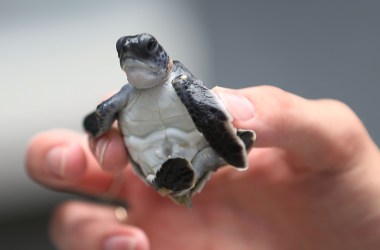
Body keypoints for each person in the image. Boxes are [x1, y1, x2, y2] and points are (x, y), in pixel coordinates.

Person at [26, 86, 380, 250]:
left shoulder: (179, 82)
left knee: (214, 136)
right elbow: (97, 121)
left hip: (196, 158)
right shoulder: (123, 96)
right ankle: (175, 178)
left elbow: (209, 112)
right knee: (104, 131)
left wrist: (230, 145)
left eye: (147, 50)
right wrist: (96, 126)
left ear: (162, 57)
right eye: (127, 54)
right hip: (152, 166)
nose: (136, 57)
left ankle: (192, 171)